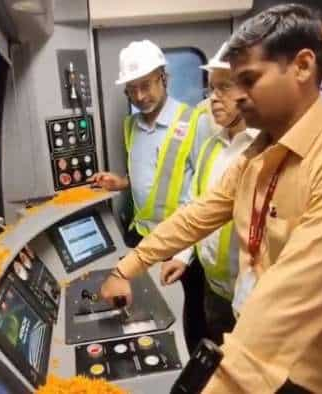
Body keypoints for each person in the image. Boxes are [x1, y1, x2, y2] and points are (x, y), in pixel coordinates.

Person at [101, 4, 322, 393]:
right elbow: (198, 214)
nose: (236, 97)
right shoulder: (258, 156)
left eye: (247, 80)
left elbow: (287, 306)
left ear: (302, 66)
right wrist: (126, 267)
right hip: (266, 364)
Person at [88, 39, 210, 353]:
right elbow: (158, 177)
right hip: (143, 240)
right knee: (152, 326)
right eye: (132, 89)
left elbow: (206, 194)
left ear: (164, 78)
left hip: (182, 251)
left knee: (189, 329)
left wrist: (184, 254)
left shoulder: (194, 122)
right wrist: (123, 182)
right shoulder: (131, 127)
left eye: (147, 85)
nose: (140, 96)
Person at [159, 42, 259, 345]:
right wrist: (182, 255)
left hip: (252, 299)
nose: (213, 99)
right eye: (211, 89)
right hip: (214, 288)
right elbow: (195, 206)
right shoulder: (210, 147)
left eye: (224, 88)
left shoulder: (265, 150)